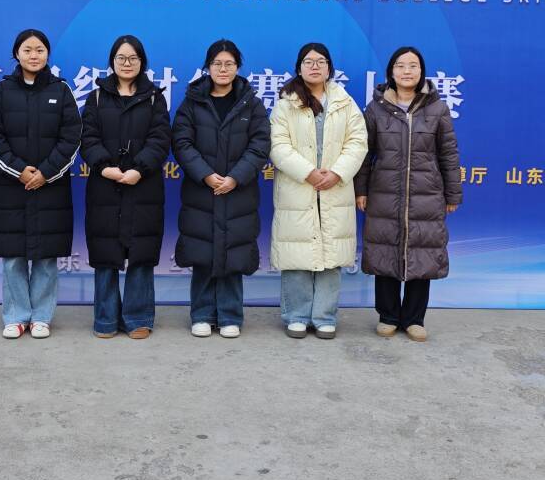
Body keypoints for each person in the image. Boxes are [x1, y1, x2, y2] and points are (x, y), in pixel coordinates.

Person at [355, 45, 462, 342]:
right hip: (384, 192)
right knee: (385, 251)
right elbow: (364, 153)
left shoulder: (437, 109)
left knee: (422, 252)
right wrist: (360, 189)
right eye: (400, 66)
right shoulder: (376, 109)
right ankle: (388, 316)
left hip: (425, 193)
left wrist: (453, 193)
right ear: (391, 72)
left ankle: (415, 318)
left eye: (413, 66)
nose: (407, 71)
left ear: (421, 72)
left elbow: (449, 154)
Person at [0, 29, 81, 339]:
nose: (34, 55)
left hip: (50, 186)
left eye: (39, 50)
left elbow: (72, 137)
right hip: (11, 187)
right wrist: (19, 171)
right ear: (17, 54)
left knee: (46, 256)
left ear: (47, 54)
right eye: (27, 50)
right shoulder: (2, 90)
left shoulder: (61, 90)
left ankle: (41, 316)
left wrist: (46, 172)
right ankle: (15, 315)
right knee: (13, 256)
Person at [172, 39, 271, 338]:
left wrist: (235, 177)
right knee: (203, 253)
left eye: (229, 64)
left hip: (238, 192)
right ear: (208, 67)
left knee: (232, 254)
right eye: (217, 64)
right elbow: (182, 142)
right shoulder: (193, 102)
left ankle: (230, 315)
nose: (223, 69)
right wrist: (205, 174)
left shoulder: (251, 104)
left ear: (237, 67)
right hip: (201, 191)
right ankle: (201, 314)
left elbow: (260, 145)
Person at [269, 43, 367, 339]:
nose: (315, 66)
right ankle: (296, 315)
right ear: (299, 68)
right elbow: (278, 145)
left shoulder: (344, 102)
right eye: (308, 61)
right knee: (297, 253)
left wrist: (337, 173)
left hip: (335, 188)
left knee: (330, 254)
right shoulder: (286, 104)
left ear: (329, 68)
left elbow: (358, 142)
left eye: (321, 61)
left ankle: (325, 316)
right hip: (298, 188)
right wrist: (308, 173)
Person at [81, 35, 172, 339]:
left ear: (142, 62)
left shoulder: (154, 98)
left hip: (144, 185)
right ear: (112, 61)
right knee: (105, 251)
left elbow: (161, 139)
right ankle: (105, 319)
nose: (127, 63)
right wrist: (104, 166)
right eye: (121, 58)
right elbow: (87, 137)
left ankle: (138, 318)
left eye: (133, 58)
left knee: (141, 253)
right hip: (104, 186)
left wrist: (138, 169)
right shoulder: (96, 97)